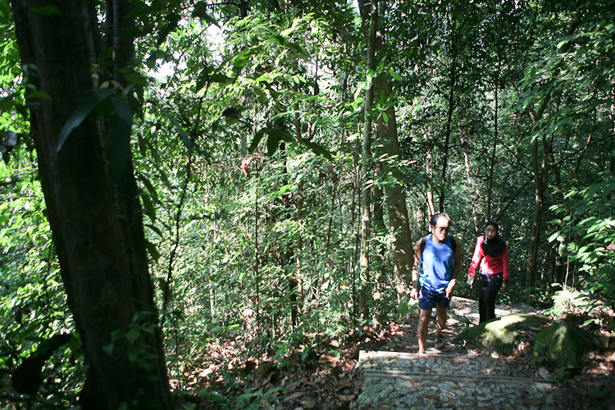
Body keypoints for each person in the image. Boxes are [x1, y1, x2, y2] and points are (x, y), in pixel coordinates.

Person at [411, 213, 461, 354]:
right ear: (431, 227)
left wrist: (452, 281)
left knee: (442, 316)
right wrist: (414, 287)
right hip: (427, 286)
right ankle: (421, 351)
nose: (444, 232)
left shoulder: (454, 243)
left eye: (447, 229)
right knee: (424, 316)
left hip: (445, 288)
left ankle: (438, 334)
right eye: (441, 229)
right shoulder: (422, 243)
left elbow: (457, 264)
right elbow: (416, 266)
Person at [468, 221, 509, 324]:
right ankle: (482, 324)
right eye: (488, 230)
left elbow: (505, 262)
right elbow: (476, 256)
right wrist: (472, 271)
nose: (490, 233)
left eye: (493, 231)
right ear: (485, 231)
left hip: (497, 274)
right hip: (484, 273)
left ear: (497, 232)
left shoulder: (501, 244)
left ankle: (490, 322)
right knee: (481, 300)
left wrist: (505, 280)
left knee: (488, 298)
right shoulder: (481, 240)